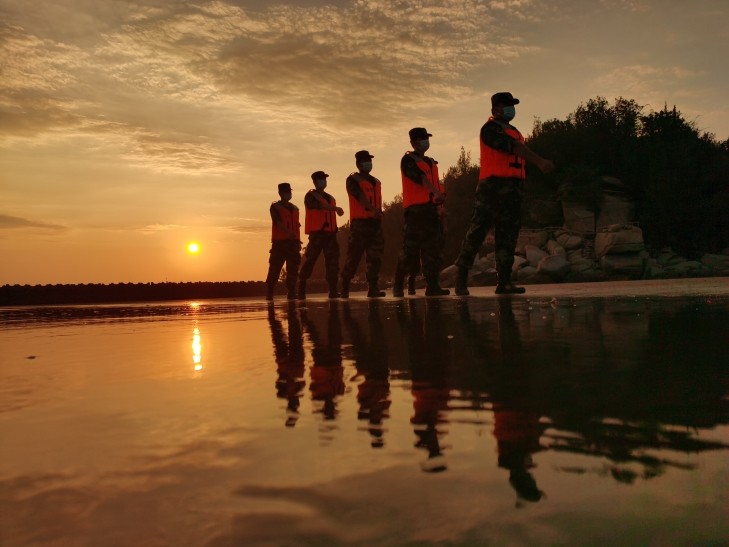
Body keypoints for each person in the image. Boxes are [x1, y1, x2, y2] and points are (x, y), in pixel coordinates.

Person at [454, 92, 555, 295]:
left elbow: (518, 148)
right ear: (495, 109)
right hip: (491, 188)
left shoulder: (514, 130)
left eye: (512, 104)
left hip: (513, 188)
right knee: (478, 232)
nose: (510, 108)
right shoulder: (490, 129)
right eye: (506, 105)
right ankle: (461, 277)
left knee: (508, 234)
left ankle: (504, 282)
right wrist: (540, 161)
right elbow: (513, 148)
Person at [392, 127, 450, 297]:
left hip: (431, 211)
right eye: (421, 138)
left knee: (432, 250)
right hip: (415, 212)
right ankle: (397, 283)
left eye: (426, 138)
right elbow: (420, 178)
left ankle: (432, 285)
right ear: (413, 142)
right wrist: (435, 192)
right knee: (410, 251)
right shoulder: (408, 160)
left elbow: (439, 187)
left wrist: (441, 207)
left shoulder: (431, 163)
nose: (425, 141)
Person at [340, 150, 386, 298]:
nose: (368, 163)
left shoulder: (376, 181)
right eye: (365, 161)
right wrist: (372, 210)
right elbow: (359, 196)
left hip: (375, 224)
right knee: (353, 257)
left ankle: (373, 288)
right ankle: (345, 287)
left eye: (370, 160)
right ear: (358, 164)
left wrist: (378, 212)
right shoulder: (352, 180)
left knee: (375, 257)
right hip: (360, 225)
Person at [297, 171, 344, 299]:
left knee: (333, 262)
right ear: (315, 182)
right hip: (317, 234)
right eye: (321, 179)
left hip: (330, 235)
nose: (323, 181)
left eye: (324, 179)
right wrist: (336, 209)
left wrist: (336, 211)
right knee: (310, 260)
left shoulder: (330, 198)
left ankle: (333, 290)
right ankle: (301, 288)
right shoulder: (310, 196)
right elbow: (317, 207)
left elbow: (328, 210)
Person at [265, 182, 301, 301]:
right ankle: (269, 293)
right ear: (280, 193)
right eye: (286, 192)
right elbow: (277, 222)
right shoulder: (275, 207)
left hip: (293, 244)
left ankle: (291, 292)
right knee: (275, 269)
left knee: (293, 270)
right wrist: (288, 232)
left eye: (289, 192)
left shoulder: (295, 208)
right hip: (280, 244)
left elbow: (296, 224)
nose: (288, 194)